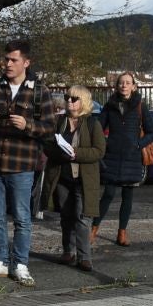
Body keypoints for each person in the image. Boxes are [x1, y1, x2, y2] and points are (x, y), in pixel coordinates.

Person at [0, 40, 56, 287]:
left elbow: (51, 127)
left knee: (22, 217)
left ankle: (20, 264)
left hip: (22, 164)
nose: (8, 64)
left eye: (13, 60)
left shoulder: (39, 91)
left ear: (26, 62)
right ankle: (0, 261)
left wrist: (28, 125)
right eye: (6, 59)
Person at [93, 72, 153, 247]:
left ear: (133, 86)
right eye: (121, 83)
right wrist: (105, 142)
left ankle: (122, 232)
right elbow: (98, 128)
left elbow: (152, 132)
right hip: (112, 157)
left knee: (127, 196)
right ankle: (94, 229)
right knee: (108, 194)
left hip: (131, 158)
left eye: (128, 83)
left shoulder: (140, 106)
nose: (124, 85)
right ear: (117, 86)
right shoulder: (109, 105)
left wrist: (137, 144)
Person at [46, 85, 105, 272]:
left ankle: (84, 257)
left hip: (83, 180)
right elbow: (47, 146)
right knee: (66, 216)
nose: (69, 101)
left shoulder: (92, 124)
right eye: (68, 97)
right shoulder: (59, 121)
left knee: (82, 218)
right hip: (62, 177)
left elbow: (99, 151)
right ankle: (68, 252)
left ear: (84, 102)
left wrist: (76, 153)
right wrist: (61, 152)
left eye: (74, 98)